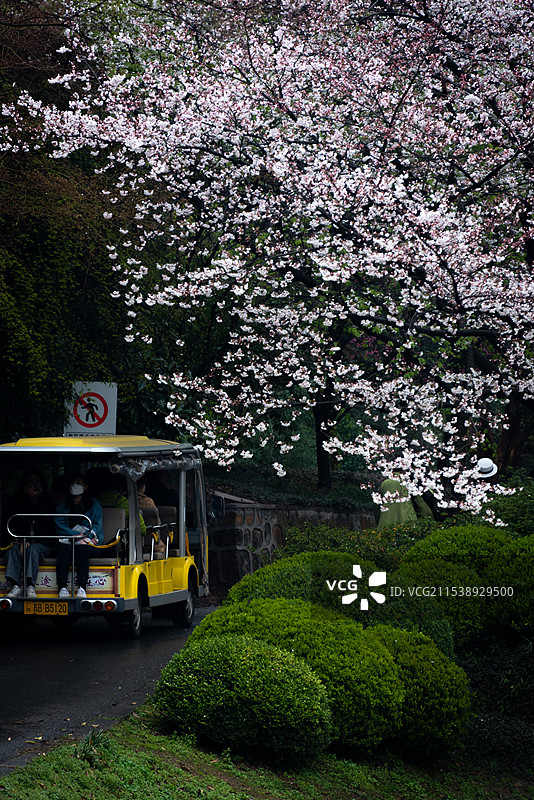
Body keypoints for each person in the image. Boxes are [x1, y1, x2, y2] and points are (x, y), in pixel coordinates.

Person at [3, 469, 56, 598]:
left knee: (32, 549)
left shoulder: (48, 501)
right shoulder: (16, 500)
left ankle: (30, 585)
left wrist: (37, 500)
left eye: (36, 482)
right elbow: (9, 522)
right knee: (11, 551)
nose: (33, 484)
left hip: (43, 543)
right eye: (30, 481)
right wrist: (18, 540)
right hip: (20, 541)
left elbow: (51, 524)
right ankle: (16, 585)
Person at [55, 473, 104, 599]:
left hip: (89, 541)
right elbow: (59, 524)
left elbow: (97, 525)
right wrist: (75, 535)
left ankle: (82, 587)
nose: (75, 486)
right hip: (68, 541)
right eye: (73, 483)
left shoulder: (94, 504)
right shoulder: (62, 505)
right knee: (63, 550)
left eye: (79, 483)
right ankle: (62, 587)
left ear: (86, 487)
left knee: (83, 550)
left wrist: (88, 536)